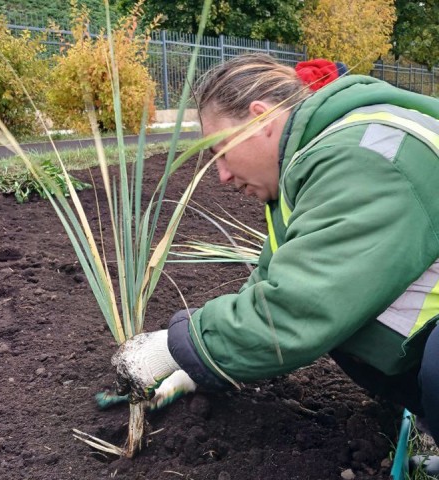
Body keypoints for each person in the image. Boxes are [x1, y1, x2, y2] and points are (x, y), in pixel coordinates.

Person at [111, 53, 439, 472]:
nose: (222, 176)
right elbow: (276, 282)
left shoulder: (367, 158)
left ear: (260, 117)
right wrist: (194, 362)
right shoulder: (321, 156)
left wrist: (174, 346)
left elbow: (301, 306)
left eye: (221, 153)